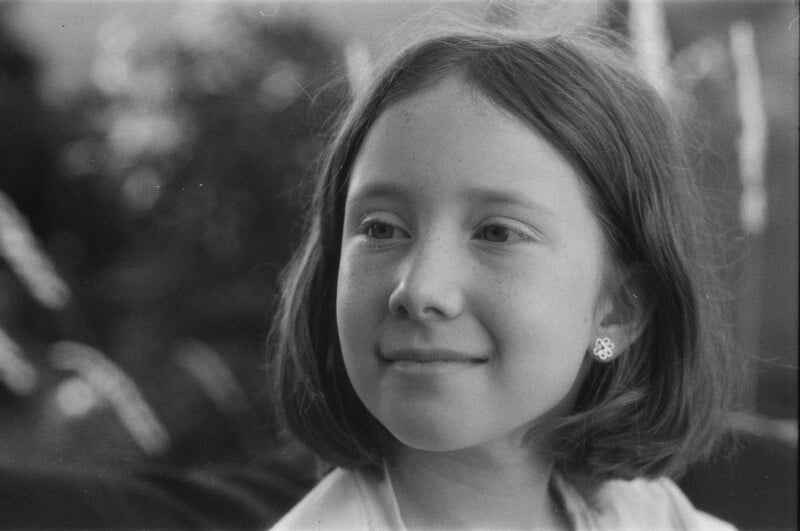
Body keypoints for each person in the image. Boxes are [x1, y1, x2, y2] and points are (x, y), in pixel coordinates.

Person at [268, 20, 738, 530]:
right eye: (380, 228)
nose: (419, 289)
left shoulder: (654, 519)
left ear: (618, 311)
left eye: (497, 233)